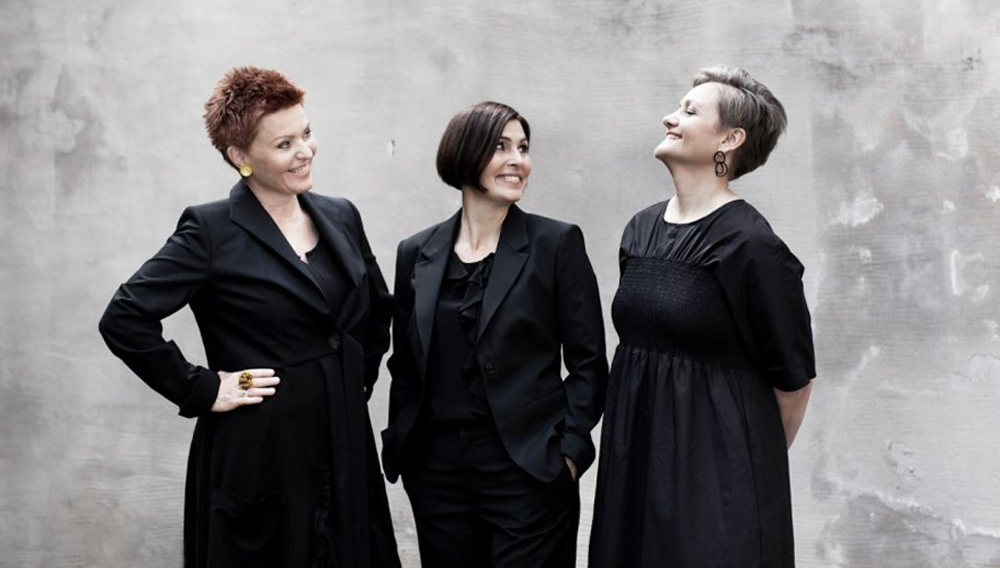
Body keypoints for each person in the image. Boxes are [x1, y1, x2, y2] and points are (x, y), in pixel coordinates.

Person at [99, 67, 400, 568]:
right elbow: (124, 317)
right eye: (284, 144)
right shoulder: (209, 230)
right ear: (240, 157)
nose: (305, 151)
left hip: (344, 442)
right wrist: (203, 388)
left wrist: (351, 379)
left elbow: (376, 308)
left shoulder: (341, 214)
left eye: (306, 133)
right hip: (261, 457)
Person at [589, 66, 816, 568]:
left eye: (690, 111)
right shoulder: (640, 230)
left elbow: (794, 383)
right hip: (635, 470)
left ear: (730, 140)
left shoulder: (752, 246)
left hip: (715, 491)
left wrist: (740, 469)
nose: (670, 118)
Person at [381, 101, 608, 568]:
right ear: (465, 154)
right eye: (501, 147)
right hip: (437, 473)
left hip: (529, 468)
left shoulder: (556, 244)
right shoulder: (416, 253)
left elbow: (589, 363)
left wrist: (567, 452)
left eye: (523, 148)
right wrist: (405, 446)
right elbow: (405, 362)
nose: (517, 160)